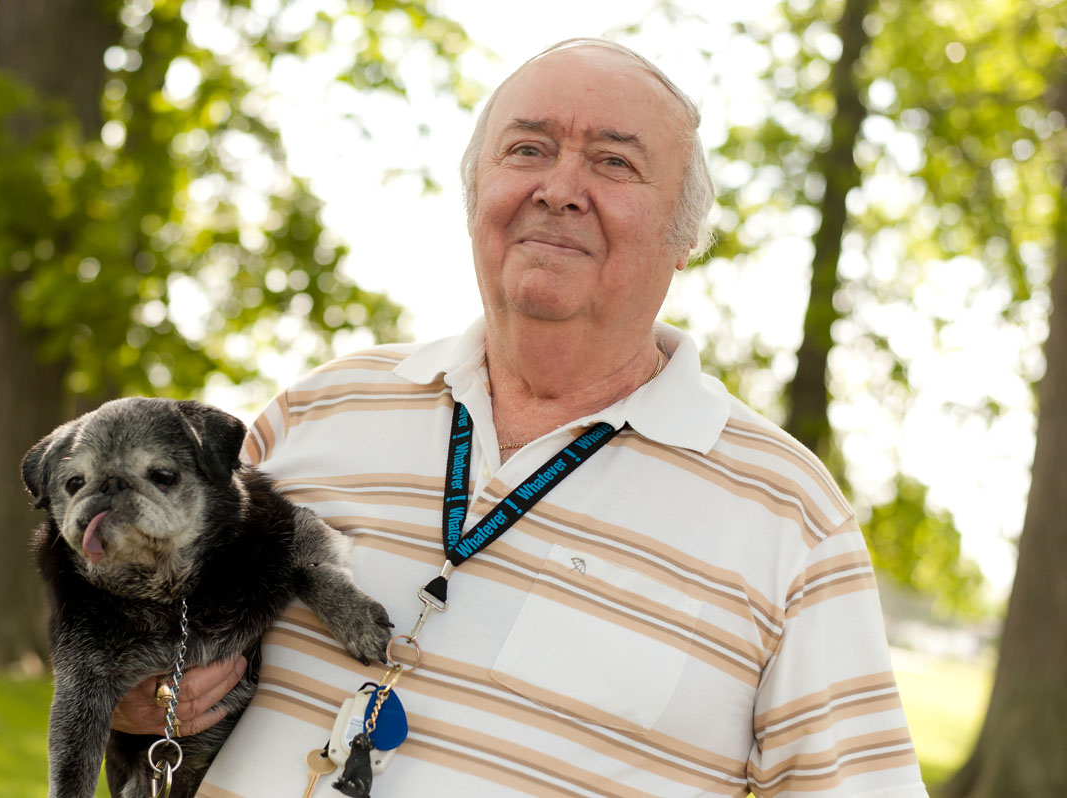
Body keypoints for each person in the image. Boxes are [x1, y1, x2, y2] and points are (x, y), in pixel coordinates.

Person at [115, 38, 929, 797]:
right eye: (528, 149)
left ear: (685, 237)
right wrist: (137, 702)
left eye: (613, 162)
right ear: (476, 197)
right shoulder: (320, 409)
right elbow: (148, 656)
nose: (560, 189)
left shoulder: (789, 516)